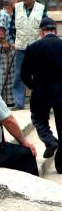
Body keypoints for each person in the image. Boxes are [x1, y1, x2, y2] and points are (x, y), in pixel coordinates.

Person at [21, 17, 62, 172]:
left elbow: (24, 74)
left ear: (41, 32)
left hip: (41, 90)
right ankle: (61, 165)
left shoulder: (33, 47)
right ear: (55, 30)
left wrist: (34, 86)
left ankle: (49, 140)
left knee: (38, 119)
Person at [12, 0, 47, 110]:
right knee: (19, 75)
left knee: (39, 75)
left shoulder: (41, 8)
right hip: (21, 47)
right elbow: (12, 27)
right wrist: (13, 41)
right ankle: (18, 103)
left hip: (36, 48)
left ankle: (39, 102)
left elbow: (45, 27)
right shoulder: (16, 8)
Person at [0, 0, 18, 106]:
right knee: (2, 76)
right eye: (16, 1)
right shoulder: (4, 15)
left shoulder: (9, 15)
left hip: (7, 52)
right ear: (12, 3)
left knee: (9, 75)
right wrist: (4, 43)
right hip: (3, 53)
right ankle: (1, 102)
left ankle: (8, 101)